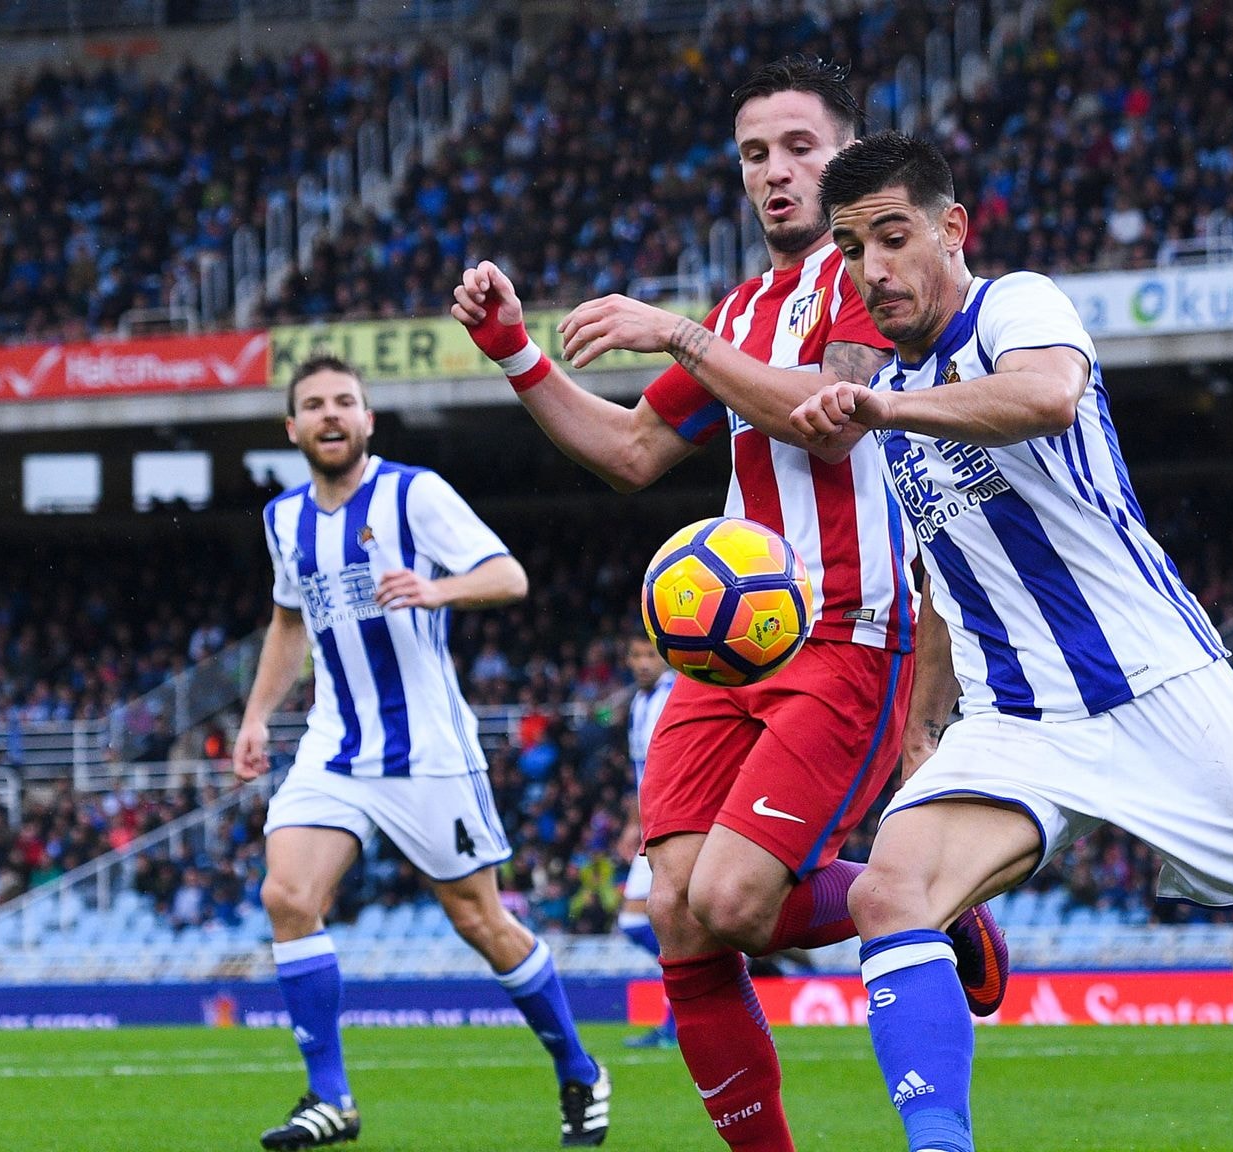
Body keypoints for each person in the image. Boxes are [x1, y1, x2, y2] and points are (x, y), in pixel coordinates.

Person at [789, 131, 1233, 1152]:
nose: (871, 269)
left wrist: (884, 404)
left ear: (950, 230)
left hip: (1156, 683)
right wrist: (922, 734)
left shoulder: (1015, 307)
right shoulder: (893, 406)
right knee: (888, 889)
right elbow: (941, 582)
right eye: (850, 248)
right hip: (1017, 719)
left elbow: (1046, 394)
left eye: (891, 236)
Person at [449, 59, 1005, 1152]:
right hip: (725, 655)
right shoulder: (741, 310)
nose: (774, 173)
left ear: (844, 160)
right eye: (755, 155)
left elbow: (835, 420)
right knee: (676, 916)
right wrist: (513, 351)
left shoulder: (866, 280)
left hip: (846, 627)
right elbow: (633, 448)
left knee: (741, 902)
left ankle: (930, 896)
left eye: (799, 147)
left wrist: (686, 339)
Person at [234, 357, 609, 1149]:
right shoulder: (283, 519)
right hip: (335, 747)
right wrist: (258, 716)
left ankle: (577, 1068)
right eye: (314, 405)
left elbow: (507, 576)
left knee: (480, 921)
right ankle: (330, 1096)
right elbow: (288, 621)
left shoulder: (415, 494)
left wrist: (438, 588)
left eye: (346, 401)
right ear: (293, 429)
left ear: (368, 420)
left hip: (430, 751)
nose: (331, 415)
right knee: (287, 897)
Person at [616, 635, 678, 1048]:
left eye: (650, 655)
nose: (642, 663)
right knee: (634, 922)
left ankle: (676, 1026)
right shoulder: (639, 704)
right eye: (635, 654)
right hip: (652, 827)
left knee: (657, 923)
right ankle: (722, 961)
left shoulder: (676, 696)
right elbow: (643, 774)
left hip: (676, 826)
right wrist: (632, 824)